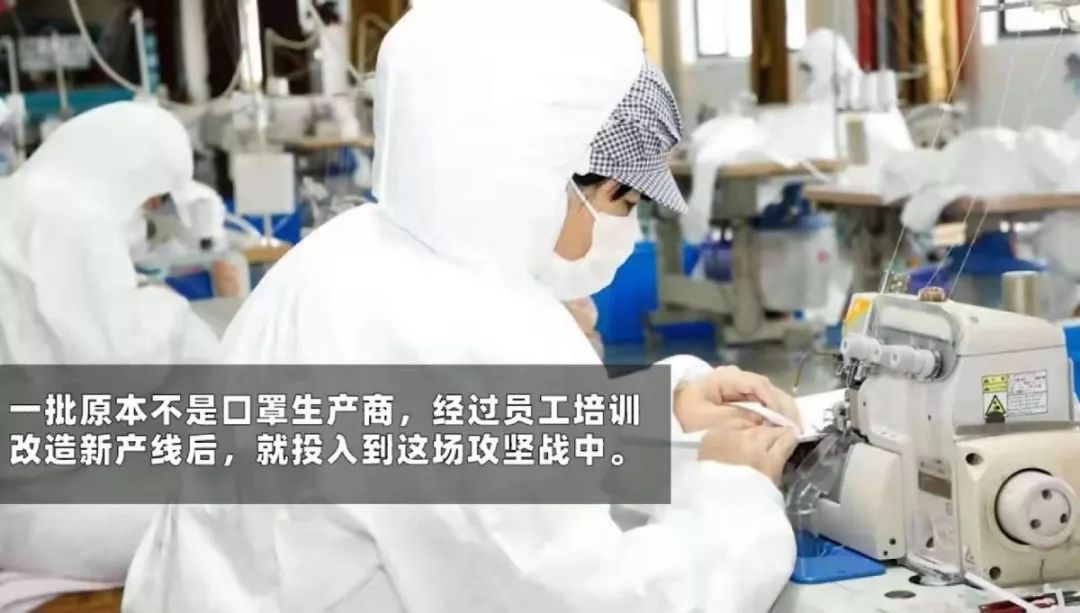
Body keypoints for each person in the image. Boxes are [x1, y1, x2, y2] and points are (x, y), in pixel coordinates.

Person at [123, 1, 800, 611]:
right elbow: (585, 595)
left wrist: (661, 415)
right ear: (538, 176)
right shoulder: (466, 332)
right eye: (620, 200)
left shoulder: (361, 250)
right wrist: (732, 496)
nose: (624, 228)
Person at [0, 102, 218, 583]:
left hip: (30, 481)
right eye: (150, 198)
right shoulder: (69, 223)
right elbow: (119, 368)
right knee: (227, 517)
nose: (144, 211)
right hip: (43, 506)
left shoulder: (15, 199)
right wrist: (167, 307)